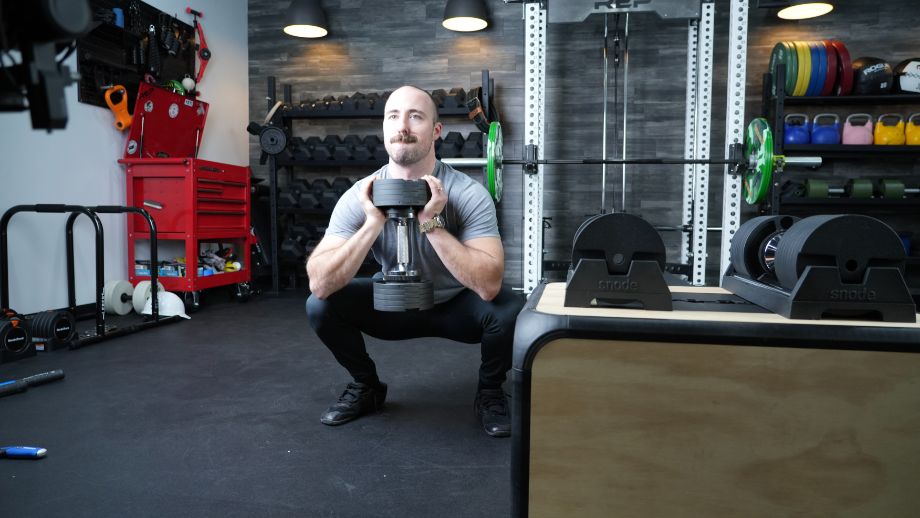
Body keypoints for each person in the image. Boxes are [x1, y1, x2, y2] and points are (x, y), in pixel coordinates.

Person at [305, 85, 524, 437]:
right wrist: (373, 221)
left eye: (416, 116)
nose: (403, 125)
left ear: (436, 131)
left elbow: (488, 284)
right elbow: (320, 281)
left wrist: (430, 222)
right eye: (393, 116)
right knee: (320, 305)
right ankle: (367, 387)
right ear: (384, 129)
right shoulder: (360, 195)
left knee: (510, 309)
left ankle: (489, 392)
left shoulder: (467, 193)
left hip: (455, 308)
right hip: (394, 307)